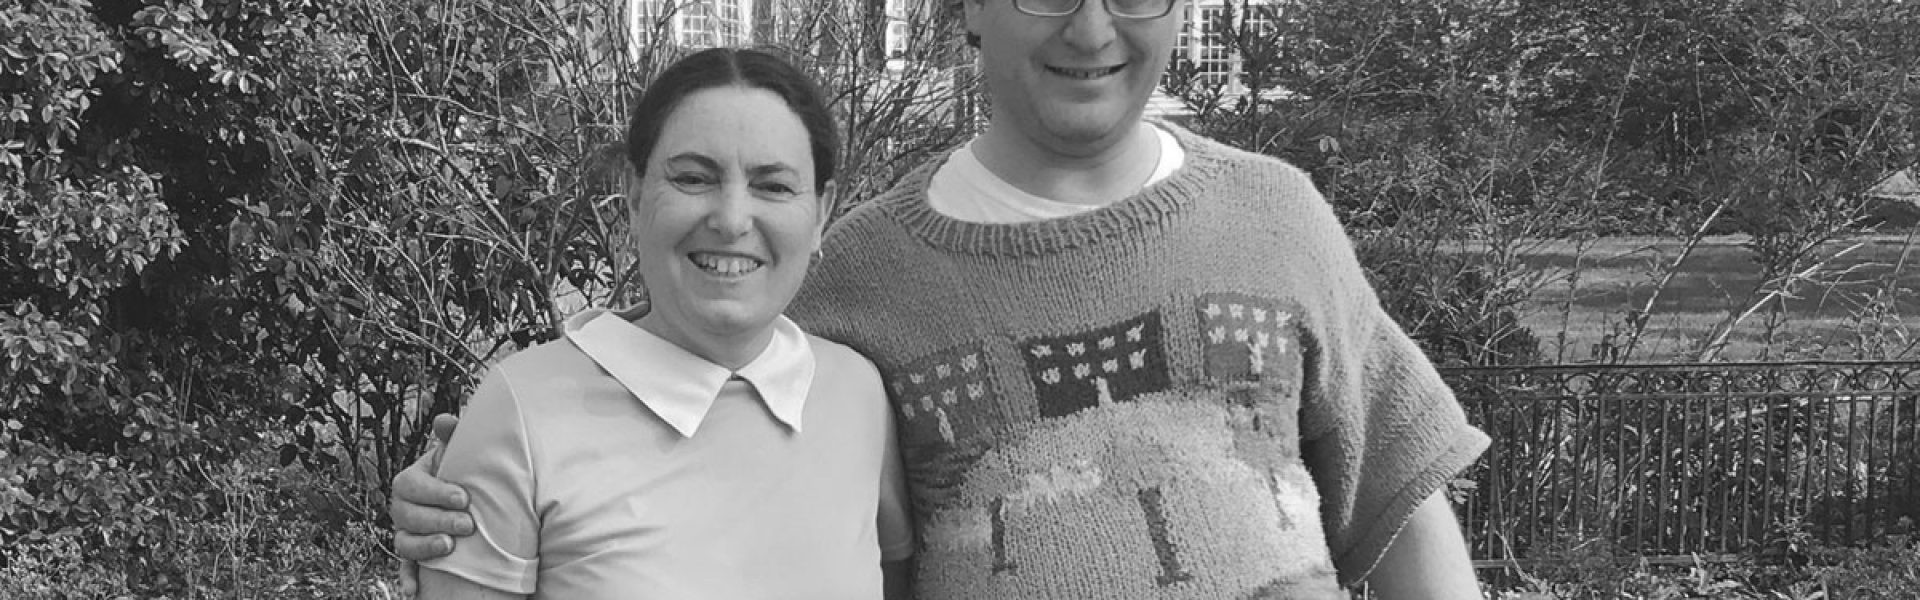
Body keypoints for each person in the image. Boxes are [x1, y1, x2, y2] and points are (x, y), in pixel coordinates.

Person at [394, 0, 1491, 597]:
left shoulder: (1280, 217)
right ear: (965, 11)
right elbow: (703, 420)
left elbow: (1396, 485)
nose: (1094, 28)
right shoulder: (857, 279)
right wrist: (487, 484)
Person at [409, 47, 913, 599]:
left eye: (773, 185)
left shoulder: (857, 394)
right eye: (694, 178)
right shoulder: (522, 411)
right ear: (633, 195)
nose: (731, 220)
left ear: (821, 213)